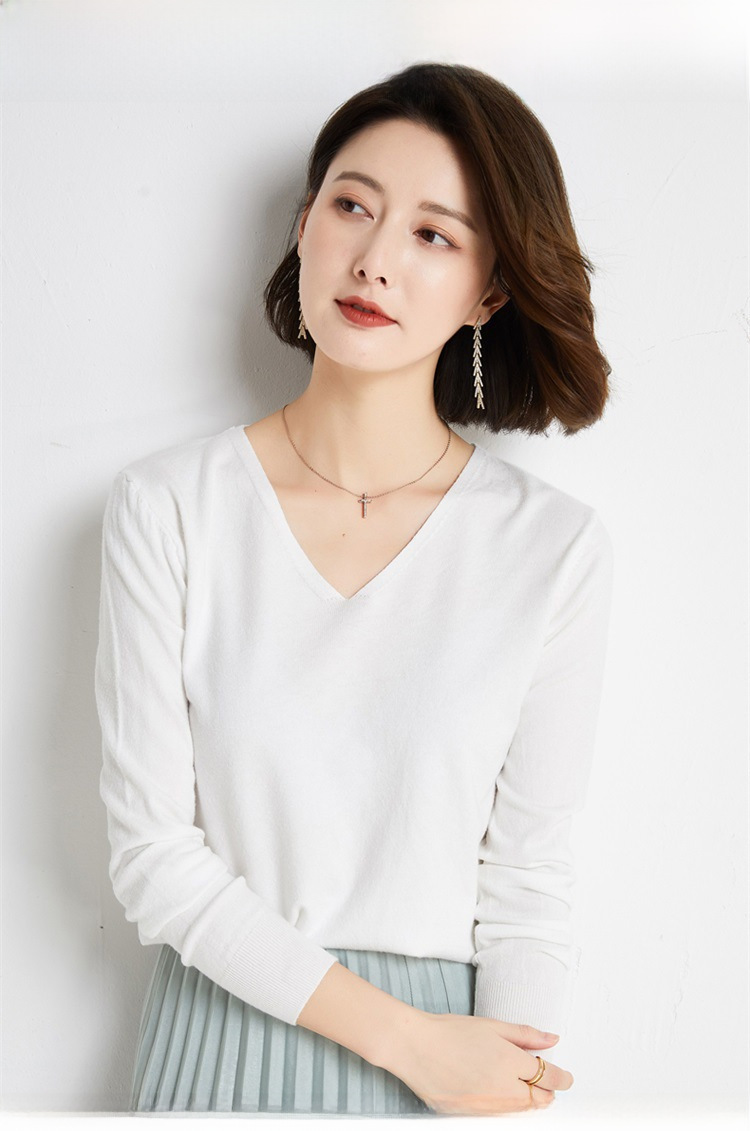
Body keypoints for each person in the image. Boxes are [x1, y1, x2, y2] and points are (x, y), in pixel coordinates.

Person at [95, 61, 614, 1117]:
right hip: (219, 1047)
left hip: (453, 1069)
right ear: (304, 225)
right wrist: (405, 1041)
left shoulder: (551, 547)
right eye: (352, 206)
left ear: (492, 290)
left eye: (434, 234)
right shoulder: (171, 508)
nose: (376, 259)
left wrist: (506, 1084)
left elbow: (528, 881)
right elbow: (152, 855)